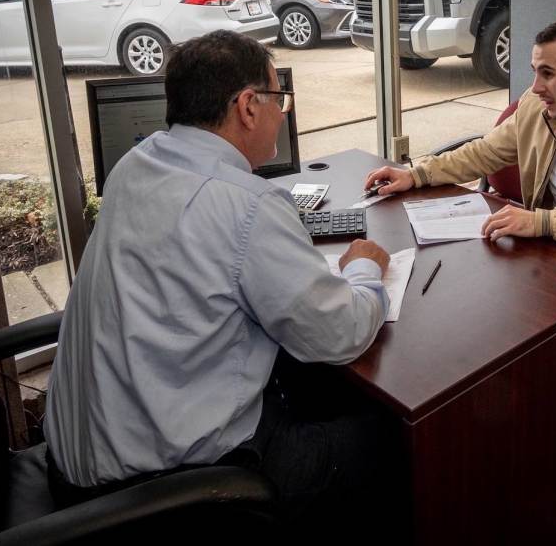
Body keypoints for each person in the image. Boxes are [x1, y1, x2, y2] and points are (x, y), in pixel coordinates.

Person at [44, 30, 400, 531]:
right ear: (249, 106)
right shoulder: (246, 204)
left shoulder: (133, 166)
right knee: (392, 433)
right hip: (162, 490)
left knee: (305, 381)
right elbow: (339, 334)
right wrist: (364, 268)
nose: (285, 112)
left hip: (77, 462)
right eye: (280, 99)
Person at [366, 15, 556, 280]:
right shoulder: (538, 106)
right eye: (535, 70)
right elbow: (485, 152)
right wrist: (417, 174)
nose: (536, 86)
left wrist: (541, 222)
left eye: (548, 74)